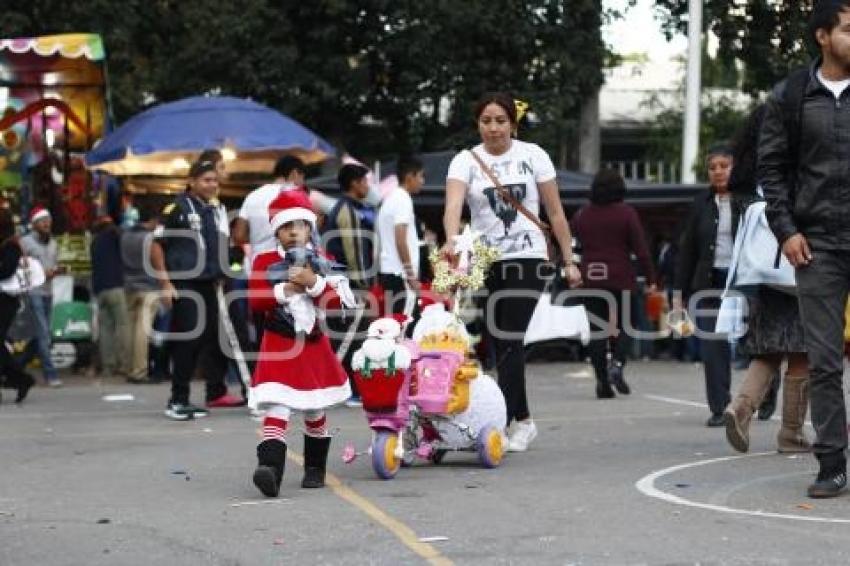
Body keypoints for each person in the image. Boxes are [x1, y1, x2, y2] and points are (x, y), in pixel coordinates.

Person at [443, 92, 581, 452]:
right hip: (486, 260)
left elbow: (556, 212)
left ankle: (507, 422)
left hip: (529, 256)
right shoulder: (465, 160)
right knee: (496, 339)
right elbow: (454, 205)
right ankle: (520, 419)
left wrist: (569, 260)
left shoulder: (533, 155)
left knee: (508, 334)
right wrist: (451, 240)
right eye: (486, 121)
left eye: (500, 121)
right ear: (478, 125)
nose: (493, 128)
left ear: (512, 124)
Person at [758, 0, 850, 498]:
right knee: (824, 359)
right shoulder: (791, 96)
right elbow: (770, 171)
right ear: (822, 36)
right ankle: (832, 462)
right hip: (817, 247)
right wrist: (786, 230)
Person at [248, 189, 354, 496]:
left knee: (314, 407)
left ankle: (315, 468)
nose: (294, 232)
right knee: (278, 404)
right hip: (279, 344)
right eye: (286, 226)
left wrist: (315, 283)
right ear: (276, 231)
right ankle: (270, 469)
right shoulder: (264, 261)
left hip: (313, 344)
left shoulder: (325, 261)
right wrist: (286, 290)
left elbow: (339, 307)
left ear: (311, 227)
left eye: (300, 225)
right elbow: (254, 301)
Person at [722, 104, 811, 457]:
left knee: (769, 350)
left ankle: (740, 407)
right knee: (803, 350)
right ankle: (791, 434)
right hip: (797, 264)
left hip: (760, 274)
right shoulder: (792, 167)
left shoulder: (745, 175)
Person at [150, 157, 244, 420]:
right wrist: (165, 283)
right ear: (191, 181)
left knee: (205, 339)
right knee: (188, 338)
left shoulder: (215, 211)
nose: (212, 184)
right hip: (184, 283)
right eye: (206, 180)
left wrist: (223, 272)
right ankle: (177, 400)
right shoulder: (176, 208)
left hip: (210, 283)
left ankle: (188, 398)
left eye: (215, 180)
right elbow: (156, 245)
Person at [571, 168, 655, 398]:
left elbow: (573, 247)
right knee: (628, 324)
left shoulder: (582, 215)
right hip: (621, 277)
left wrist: (574, 271)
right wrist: (651, 279)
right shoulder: (627, 213)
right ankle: (617, 365)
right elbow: (641, 250)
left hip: (592, 278)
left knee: (597, 331)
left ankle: (601, 383)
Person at [674, 145, 736, 428]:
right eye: (713, 167)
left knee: (760, 345)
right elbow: (687, 250)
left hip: (744, 283)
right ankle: (720, 407)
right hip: (708, 283)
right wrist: (679, 292)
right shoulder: (700, 203)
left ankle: (765, 393)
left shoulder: (750, 201)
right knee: (713, 347)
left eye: (724, 166)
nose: (719, 171)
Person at [233, 155, 308, 349]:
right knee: (294, 329)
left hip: (258, 270)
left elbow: (239, 235)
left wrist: (259, 240)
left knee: (262, 330)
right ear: (294, 173)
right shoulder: (295, 195)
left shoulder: (253, 196)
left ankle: (263, 375)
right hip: (289, 270)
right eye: (302, 177)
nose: (302, 183)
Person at [322, 163, 376, 407]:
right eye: (365, 181)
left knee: (346, 335)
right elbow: (354, 252)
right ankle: (351, 390)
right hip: (348, 284)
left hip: (342, 283)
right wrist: (363, 283)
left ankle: (343, 387)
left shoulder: (348, 208)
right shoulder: (347, 210)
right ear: (354, 183)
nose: (367, 186)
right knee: (353, 337)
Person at [19, 205, 62, 387]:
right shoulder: (25, 242)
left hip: (48, 292)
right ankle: (50, 374)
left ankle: (17, 366)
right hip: (34, 292)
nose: (46, 224)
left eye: (48, 221)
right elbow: (21, 266)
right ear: (34, 223)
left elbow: (54, 263)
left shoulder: (53, 243)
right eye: (43, 221)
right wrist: (40, 274)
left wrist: (55, 271)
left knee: (40, 334)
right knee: (43, 333)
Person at [377, 156, 425, 318]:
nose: (422, 181)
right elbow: (400, 239)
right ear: (409, 177)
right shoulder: (402, 199)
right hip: (400, 274)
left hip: (392, 271)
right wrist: (410, 275)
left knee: (397, 323)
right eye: (420, 176)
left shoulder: (390, 199)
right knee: (404, 325)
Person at [121, 203, 162, 384]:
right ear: (152, 220)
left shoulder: (125, 236)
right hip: (148, 287)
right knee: (142, 331)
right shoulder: (150, 238)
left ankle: (128, 367)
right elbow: (157, 263)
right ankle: (139, 371)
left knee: (129, 329)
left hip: (129, 286)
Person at [0, 209, 34, 403]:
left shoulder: (11, 245)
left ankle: (19, 378)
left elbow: (6, 271)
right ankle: (19, 379)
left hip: (5, 301)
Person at [90, 215, 130, 376]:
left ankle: (108, 366)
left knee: (105, 329)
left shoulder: (94, 242)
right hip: (116, 287)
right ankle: (124, 364)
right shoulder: (115, 237)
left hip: (100, 289)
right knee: (122, 326)